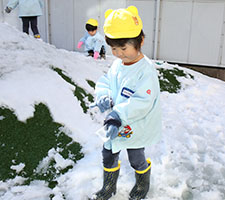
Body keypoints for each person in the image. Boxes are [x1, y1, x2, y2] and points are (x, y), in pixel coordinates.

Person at [90, 5, 161, 200]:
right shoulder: (117, 64)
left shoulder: (145, 71)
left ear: (141, 41)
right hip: (114, 122)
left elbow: (143, 101)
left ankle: (141, 186)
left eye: (123, 48)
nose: (119, 53)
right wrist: (103, 95)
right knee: (108, 153)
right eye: (114, 48)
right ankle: (108, 187)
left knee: (135, 157)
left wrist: (118, 114)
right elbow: (106, 81)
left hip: (134, 124)